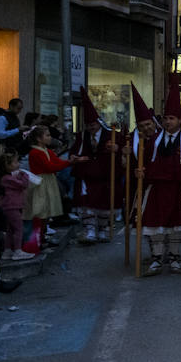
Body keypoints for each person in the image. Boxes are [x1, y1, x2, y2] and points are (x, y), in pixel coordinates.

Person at [134, 82, 181, 275]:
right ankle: (156, 259)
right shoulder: (154, 140)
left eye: (172, 118)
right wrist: (140, 172)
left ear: (179, 120)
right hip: (156, 188)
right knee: (155, 223)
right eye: (166, 119)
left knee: (176, 225)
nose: (168, 122)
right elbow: (143, 163)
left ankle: (175, 258)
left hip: (178, 187)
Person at [71, 89, 119, 245]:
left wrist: (116, 150)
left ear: (98, 123)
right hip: (87, 173)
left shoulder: (111, 135)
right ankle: (90, 230)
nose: (91, 127)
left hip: (105, 173)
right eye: (88, 125)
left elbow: (122, 152)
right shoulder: (82, 136)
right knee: (87, 202)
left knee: (104, 201)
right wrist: (76, 158)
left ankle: (103, 229)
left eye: (93, 124)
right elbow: (74, 151)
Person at [0, 146, 30, 260]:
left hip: (9, 207)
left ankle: (7, 250)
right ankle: (18, 251)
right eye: (15, 162)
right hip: (12, 207)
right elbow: (23, 184)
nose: (18, 164)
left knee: (10, 230)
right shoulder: (7, 179)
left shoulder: (6, 178)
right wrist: (24, 175)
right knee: (18, 228)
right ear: (7, 166)